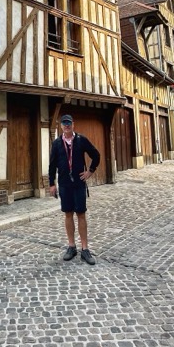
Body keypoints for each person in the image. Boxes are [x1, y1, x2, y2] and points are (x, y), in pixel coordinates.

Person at [48, 113, 100, 265]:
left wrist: (90, 171)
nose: (67, 125)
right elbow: (52, 165)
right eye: (64, 123)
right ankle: (71, 247)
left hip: (78, 184)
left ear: (73, 124)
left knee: (81, 214)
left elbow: (96, 155)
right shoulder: (57, 143)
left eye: (69, 123)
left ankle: (85, 249)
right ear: (61, 126)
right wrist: (52, 184)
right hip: (64, 184)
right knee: (68, 214)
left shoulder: (81, 140)